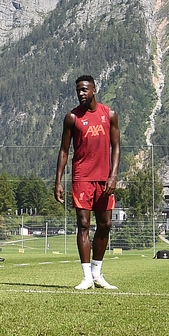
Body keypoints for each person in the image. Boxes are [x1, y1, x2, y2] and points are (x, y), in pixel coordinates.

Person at [54, 75, 120, 290]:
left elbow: (116, 147)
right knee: (83, 225)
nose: (81, 93)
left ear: (94, 90)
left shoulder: (109, 114)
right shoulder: (72, 117)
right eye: (78, 90)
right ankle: (86, 277)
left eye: (85, 89)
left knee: (106, 225)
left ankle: (97, 273)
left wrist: (113, 176)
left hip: (104, 179)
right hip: (81, 178)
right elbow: (64, 151)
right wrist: (58, 181)